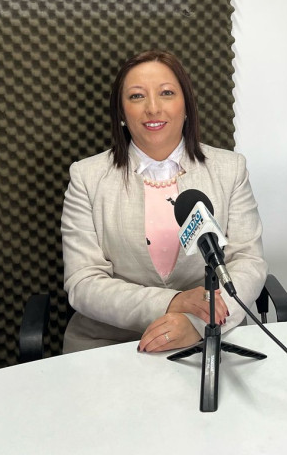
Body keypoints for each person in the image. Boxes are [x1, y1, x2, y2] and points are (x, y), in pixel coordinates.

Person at [61, 50, 267, 353]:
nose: (153, 108)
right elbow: (83, 283)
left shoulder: (230, 170)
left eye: (167, 93)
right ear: (120, 112)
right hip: (110, 343)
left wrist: (198, 324)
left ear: (186, 106)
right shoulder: (87, 178)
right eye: (136, 97)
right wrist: (171, 303)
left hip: (211, 336)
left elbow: (248, 262)